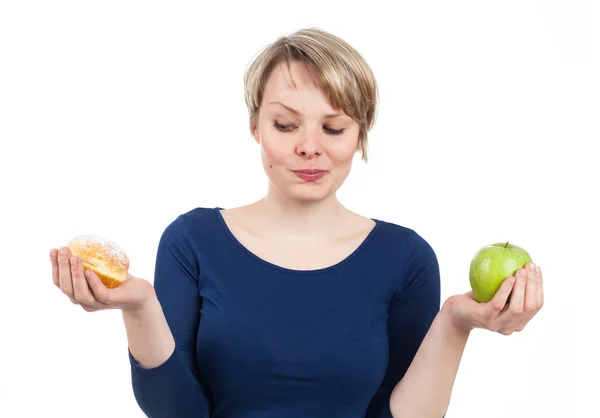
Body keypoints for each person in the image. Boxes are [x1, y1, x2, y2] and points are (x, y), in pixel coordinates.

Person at [50, 27, 544, 418]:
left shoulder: (406, 258)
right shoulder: (193, 241)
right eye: (285, 125)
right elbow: (179, 413)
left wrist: (456, 322)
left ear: (359, 135)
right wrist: (139, 308)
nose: (310, 146)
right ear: (255, 127)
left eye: (333, 127)